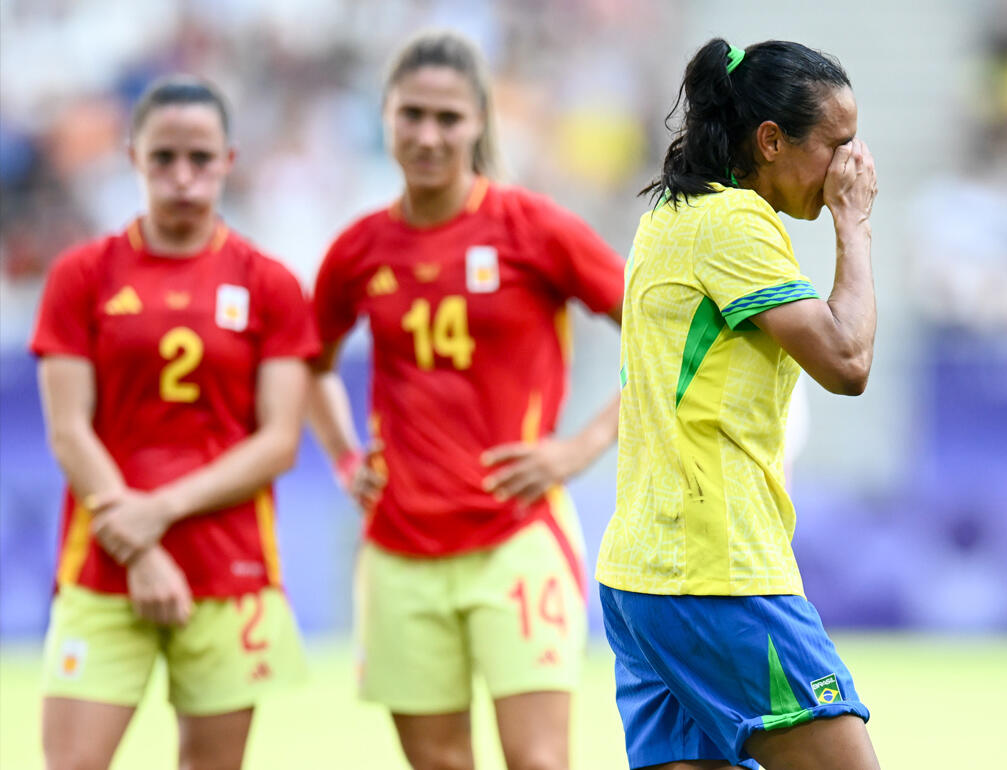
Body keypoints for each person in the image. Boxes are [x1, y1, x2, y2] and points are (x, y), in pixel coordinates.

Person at [307, 30, 625, 770]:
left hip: (515, 537)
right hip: (397, 549)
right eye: (410, 114)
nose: (427, 134)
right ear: (383, 117)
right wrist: (342, 454)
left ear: (481, 122)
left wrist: (580, 446)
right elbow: (308, 365)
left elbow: (662, 332)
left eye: (448, 117)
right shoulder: (358, 249)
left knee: (538, 762)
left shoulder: (532, 228)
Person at [596, 39, 881, 770]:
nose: (852, 165)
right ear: (770, 139)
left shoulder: (671, 214)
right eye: (837, 144)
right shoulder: (733, 225)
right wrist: (855, 227)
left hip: (642, 576)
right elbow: (847, 362)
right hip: (718, 572)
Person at [30, 76, 317, 770]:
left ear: (230, 160)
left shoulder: (269, 283)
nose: (182, 177)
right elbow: (69, 430)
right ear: (133, 158)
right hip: (104, 566)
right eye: (164, 158)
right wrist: (141, 548)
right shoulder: (82, 274)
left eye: (200, 157)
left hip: (228, 569)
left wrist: (155, 513)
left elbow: (279, 442)